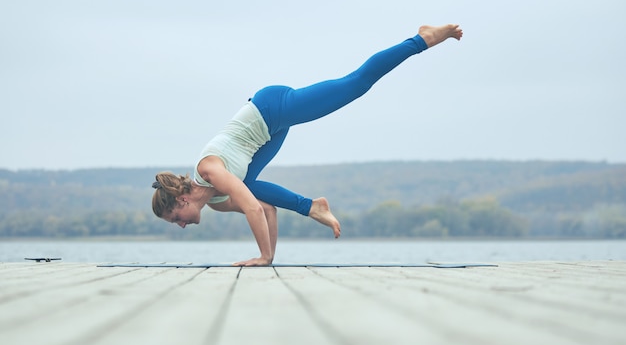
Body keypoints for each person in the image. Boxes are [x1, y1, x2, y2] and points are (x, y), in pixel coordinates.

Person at [151, 24, 463, 266]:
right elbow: (265, 209)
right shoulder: (217, 202)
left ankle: (421, 39)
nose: (180, 226)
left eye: (176, 219)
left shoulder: (209, 170)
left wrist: (260, 256)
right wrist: (268, 258)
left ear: (181, 202)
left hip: (271, 108)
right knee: (248, 186)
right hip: (269, 134)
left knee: (354, 84)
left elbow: (250, 209)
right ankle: (314, 206)